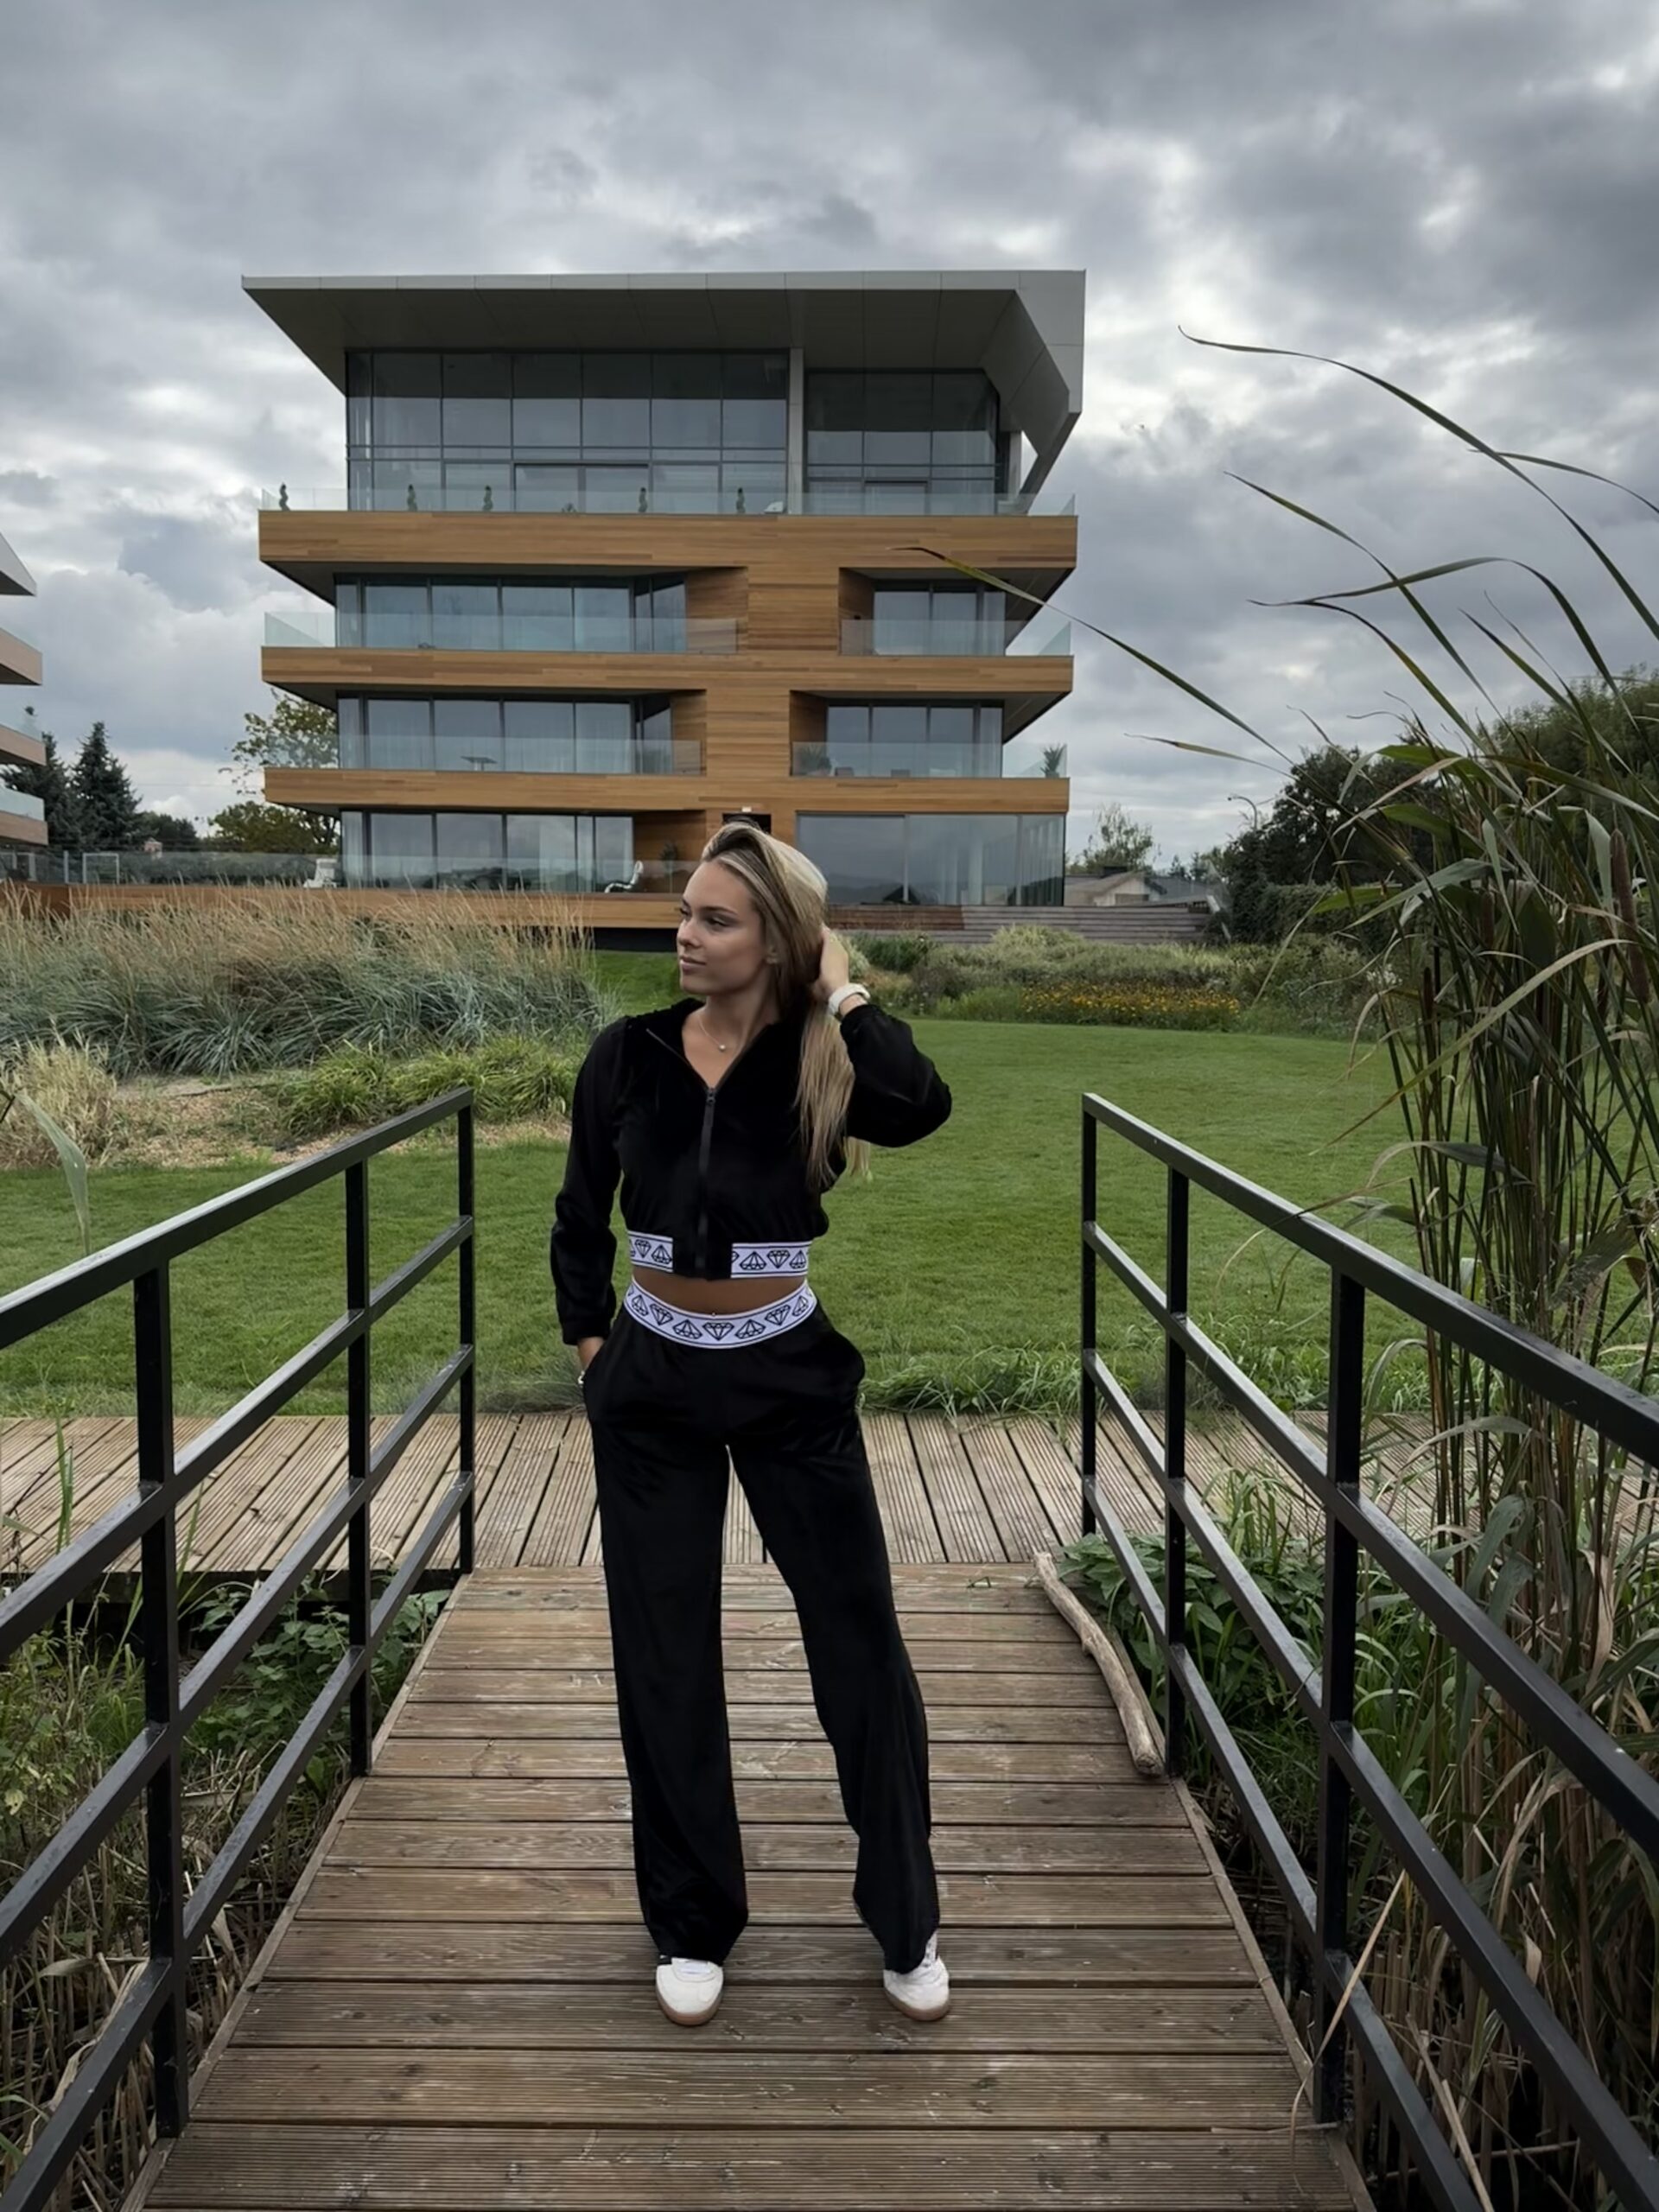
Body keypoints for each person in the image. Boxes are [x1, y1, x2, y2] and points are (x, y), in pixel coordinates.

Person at [550, 820, 953, 2030]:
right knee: (664, 1652)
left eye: (714, 918)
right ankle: (692, 1922)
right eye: (684, 911)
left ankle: (905, 1917)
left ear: (777, 940)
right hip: (652, 1385)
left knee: (860, 1644)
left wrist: (843, 990)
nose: (683, 932)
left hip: (789, 1377)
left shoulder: (821, 1059)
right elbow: (578, 1214)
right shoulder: (627, 1055)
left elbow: (921, 1104)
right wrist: (592, 1349)